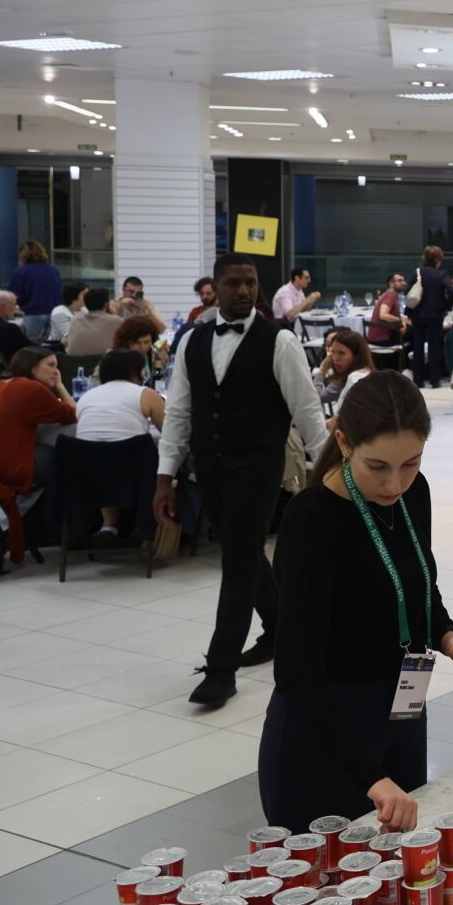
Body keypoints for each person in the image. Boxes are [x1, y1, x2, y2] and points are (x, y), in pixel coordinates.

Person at [258, 372, 453, 832]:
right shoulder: (311, 520)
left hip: (401, 712)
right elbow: (295, 671)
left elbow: (416, 584)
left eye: (410, 463)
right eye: (378, 466)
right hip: (327, 729)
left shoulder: (414, 494)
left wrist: (447, 636)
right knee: (334, 869)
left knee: (406, 864)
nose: (395, 484)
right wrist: (371, 776)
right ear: (344, 443)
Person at [155, 255, 330, 709]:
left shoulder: (280, 341)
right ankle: (281, 629)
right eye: (234, 283)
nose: (244, 291)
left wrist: (329, 469)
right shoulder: (191, 340)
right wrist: (165, 476)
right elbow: (178, 412)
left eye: (250, 282)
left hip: (258, 466)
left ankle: (220, 669)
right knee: (245, 553)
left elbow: (307, 410)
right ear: (215, 288)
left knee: (237, 562)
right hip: (209, 467)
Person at [0, 346, 76, 566]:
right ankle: (69, 527)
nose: (56, 371)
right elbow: (72, 413)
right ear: (33, 368)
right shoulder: (30, 389)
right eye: (51, 366)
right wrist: (61, 386)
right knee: (67, 456)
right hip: (6, 468)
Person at [74, 349, 167, 538]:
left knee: (105, 452)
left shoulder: (85, 398)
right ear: (137, 371)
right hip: (135, 475)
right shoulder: (145, 394)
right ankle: (156, 525)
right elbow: (170, 431)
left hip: (86, 476)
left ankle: (109, 525)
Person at [406, 246, 453, 388]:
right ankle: (434, 379)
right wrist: (447, 306)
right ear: (438, 259)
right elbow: (451, 291)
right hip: (435, 314)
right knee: (434, 347)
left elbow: (409, 292)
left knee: (418, 346)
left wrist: (408, 312)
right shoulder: (441, 274)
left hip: (418, 314)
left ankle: (418, 380)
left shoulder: (417, 272)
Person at [8, 241, 62, 341]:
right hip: (54, 312)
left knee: (29, 344)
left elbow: (13, 295)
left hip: (32, 312)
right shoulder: (53, 270)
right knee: (52, 344)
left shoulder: (21, 271)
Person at [314, 328, 374, 407]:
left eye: (341, 353)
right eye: (333, 352)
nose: (335, 358)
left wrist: (322, 370)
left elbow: (314, 398)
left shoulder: (354, 378)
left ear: (356, 356)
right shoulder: (364, 371)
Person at [63, 288, 124, 356]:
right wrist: (116, 314)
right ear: (107, 304)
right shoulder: (115, 321)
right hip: (102, 361)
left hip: (73, 360)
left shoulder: (75, 319)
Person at [113, 312, 170, 384]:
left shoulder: (152, 353)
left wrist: (161, 360)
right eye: (137, 343)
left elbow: (160, 379)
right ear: (127, 342)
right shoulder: (117, 359)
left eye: (146, 342)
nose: (142, 347)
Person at [367, 273, 408, 348]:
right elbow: (383, 315)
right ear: (391, 284)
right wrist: (401, 320)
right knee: (416, 332)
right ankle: (406, 355)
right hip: (382, 340)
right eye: (400, 281)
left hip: (375, 338)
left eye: (403, 280)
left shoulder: (387, 294)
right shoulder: (391, 295)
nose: (404, 283)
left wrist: (404, 320)